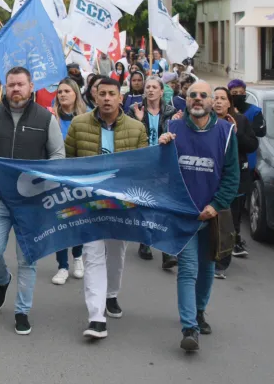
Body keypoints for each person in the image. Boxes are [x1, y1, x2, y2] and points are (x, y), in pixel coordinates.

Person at [0, 66, 65, 335]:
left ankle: (22, 311)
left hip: (31, 204)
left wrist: (46, 176)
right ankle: (2, 279)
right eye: (11, 84)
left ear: (31, 87)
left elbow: (57, 155)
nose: (16, 89)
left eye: (21, 84)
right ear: (4, 88)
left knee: (27, 259)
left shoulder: (46, 119)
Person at [64, 77, 148, 340]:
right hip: (89, 204)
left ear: (120, 97)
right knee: (93, 256)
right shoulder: (79, 125)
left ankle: (111, 294)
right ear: (95, 97)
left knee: (115, 254)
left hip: (122, 206)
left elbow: (143, 167)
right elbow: (67, 163)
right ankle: (96, 316)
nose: (108, 98)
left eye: (113, 93)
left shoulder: (136, 128)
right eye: (103, 94)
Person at [159, 81, 239, 351]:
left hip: (212, 216)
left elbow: (232, 176)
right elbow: (161, 171)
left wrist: (216, 205)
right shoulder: (172, 129)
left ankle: (200, 311)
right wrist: (160, 147)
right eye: (192, 95)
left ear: (211, 101)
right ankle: (189, 328)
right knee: (188, 269)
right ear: (186, 99)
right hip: (184, 216)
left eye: (203, 95)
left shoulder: (227, 132)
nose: (197, 99)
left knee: (207, 269)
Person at [127, 76, 178, 265]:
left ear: (161, 91)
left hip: (164, 164)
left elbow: (177, 138)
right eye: (147, 87)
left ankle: (167, 252)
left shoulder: (172, 112)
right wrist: (140, 121)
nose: (150, 90)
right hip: (144, 163)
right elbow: (132, 137)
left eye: (154, 87)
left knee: (163, 205)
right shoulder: (135, 111)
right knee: (146, 203)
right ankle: (145, 240)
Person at [212, 87, 258, 279]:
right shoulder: (206, 122)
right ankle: (207, 255)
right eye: (215, 98)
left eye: (223, 98)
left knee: (228, 223)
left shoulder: (240, 121)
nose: (218, 102)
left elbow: (252, 145)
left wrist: (237, 133)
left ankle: (222, 263)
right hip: (210, 179)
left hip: (234, 180)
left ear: (229, 102)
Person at [49, 78, 88, 285]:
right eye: (60, 91)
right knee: (60, 221)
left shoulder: (87, 117)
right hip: (57, 177)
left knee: (78, 220)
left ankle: (78, 256)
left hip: (80, 178)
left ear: (75, 94)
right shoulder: (50, 117)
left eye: (66, 91)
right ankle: (62, 265)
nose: (62, 94)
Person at [226, 79, 265, 256]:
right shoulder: (221, 112)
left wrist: (241, 127)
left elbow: (259, 133)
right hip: (223, 164)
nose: (237, 96)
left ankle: (234, 238)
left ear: (245, 92)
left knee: (238, 204)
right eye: (232, 93)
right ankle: (228, 239)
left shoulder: (253, 112)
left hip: (244, 163)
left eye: (240, 92)